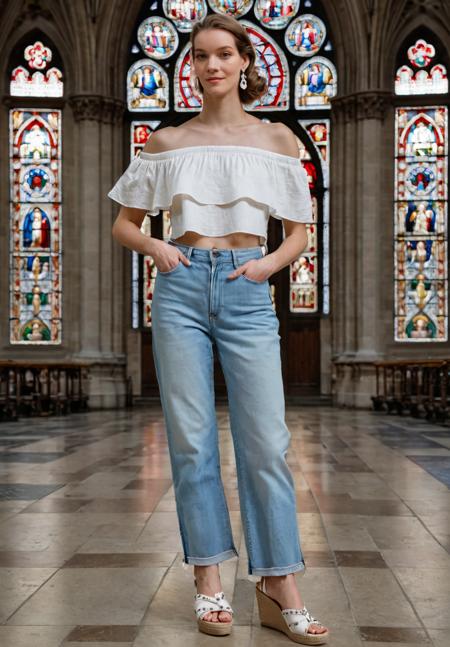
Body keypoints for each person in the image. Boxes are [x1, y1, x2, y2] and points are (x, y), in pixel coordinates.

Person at [108, 12, 329, 645]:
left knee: (265, 443)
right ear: (192, 68)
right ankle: (208, 580)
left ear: (245, 63)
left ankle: (278, 583)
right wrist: (157, 249)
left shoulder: (279, 141)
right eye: (201, 56)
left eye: (224, 54)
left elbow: (298, 237)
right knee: (192, 443)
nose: (212, 65)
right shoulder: (166, 143)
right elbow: (124, 224)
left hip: (246, 288)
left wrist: (262, 266)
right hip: (179, 287)